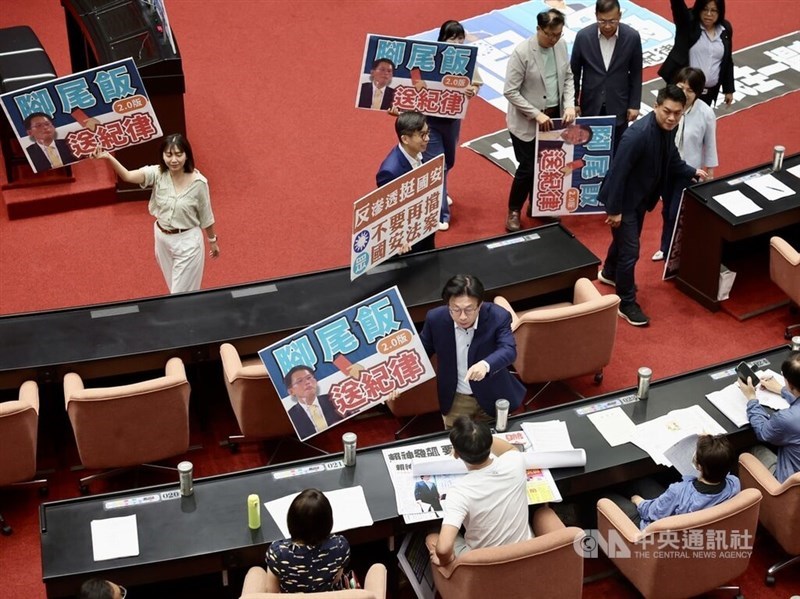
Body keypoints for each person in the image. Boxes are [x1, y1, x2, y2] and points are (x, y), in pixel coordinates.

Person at [597, 85, 707, 327]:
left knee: (625, 241)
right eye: (667, 111)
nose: (672, 117)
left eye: (677, 113)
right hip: (623, 201)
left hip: (640, 199)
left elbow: (672, 158)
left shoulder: (668, 128)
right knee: (631, 251)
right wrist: (614, 210)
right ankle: (626, 302)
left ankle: (609, 273)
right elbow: (617, 173)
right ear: (656, 106)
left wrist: (691, 171)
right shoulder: (637, 135)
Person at [94, 134, 219, 294]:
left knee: (179, 294)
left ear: (187, 155)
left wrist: (212, 241)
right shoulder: (157, 173)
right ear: (162, 156)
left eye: (178, 154)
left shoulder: (199, 183)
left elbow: (206, 215)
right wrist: (108, 157)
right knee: (175, 289)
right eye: (169, 155)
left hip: (187, 241)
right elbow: (127, 176)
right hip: (162, 238)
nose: (174, 160)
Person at [419, 274, 525, 428]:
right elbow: (420, 352)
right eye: (455, 309)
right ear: (448, 305)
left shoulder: (498, 316)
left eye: (469, 309)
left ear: (480, 305)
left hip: (492, 393)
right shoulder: (435, 319)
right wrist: (397, 382)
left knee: (496, 437)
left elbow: (508, 350)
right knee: (456, 439)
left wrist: (485, 365)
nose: (462, 317)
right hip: (456, 398)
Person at [504, 8, 576, 232]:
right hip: (526, 122)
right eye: (550, 34)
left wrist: (569, 104)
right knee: (527, 168)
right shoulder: (522, 52)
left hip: (554, 119)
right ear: (538, 29)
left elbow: (568, 77)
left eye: (558, 34)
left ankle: (537, 207)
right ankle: (514, 210)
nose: (554, 39)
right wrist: (536, 113)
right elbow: (510, 91)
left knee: (546, 165)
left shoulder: (561, 46)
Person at [427, 417, 532, 564]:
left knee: (432, 537)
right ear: (489, 442)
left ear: (456, 454)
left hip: (483, 563)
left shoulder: (459, 492)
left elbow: (443, 549)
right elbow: (509, 449)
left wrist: (447, 561)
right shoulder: (514, 462)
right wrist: (478, 438)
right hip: (523, 551)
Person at [422, 20, 483, 231]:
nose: (457, 43)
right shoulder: (430, 58)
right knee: (437, 165)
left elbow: (476, 83)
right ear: (443, 39)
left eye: (460, 39)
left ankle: (442, 192)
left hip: (453, 120)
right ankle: (440, 214)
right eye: (452, 39)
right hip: (429, 121)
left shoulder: (466, 59)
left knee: (449, 160)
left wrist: (472, 91)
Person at [653, 67, 718, 261]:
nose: (685, 93)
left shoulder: (705, 113)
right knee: (666, 211)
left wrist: (710, 171)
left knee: (677, 212)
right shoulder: (670, 108)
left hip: (689, 170)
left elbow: (710, 144)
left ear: (698, 91)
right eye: (681, 87)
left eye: (690, 90)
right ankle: (665, 247)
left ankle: (676, 252)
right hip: (667, 168)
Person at [606, 434, 739, 529]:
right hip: (694, 530)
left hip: (653, 533)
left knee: (605, 496)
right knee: (642, 482)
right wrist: (712, 447)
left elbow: (650, 513)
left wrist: (638, 501)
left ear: (699, 466)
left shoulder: (678, 492)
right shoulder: (734, 484)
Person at [570, 0, 643, 149]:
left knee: (618, 149)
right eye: (602, 21)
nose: (608, 26)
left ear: (620, 16)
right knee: (588, 148)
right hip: (590, 104)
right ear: (596, 15)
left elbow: (636, 73)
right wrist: (574, 102)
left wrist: (634, 104)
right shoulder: (583, 37)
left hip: (619, 105)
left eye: (612, 21)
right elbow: (574, 73)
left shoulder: (632, 37)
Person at [265, 488, 350, 593]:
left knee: (255, 571)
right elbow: (336, 579)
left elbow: (272, 591)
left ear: (291, 521)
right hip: (325, 594)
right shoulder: (340, 546)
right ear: (328, 522)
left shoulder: (279, 552)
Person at [376, 110, 435, 253]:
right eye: (422, 135)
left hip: (425, 227)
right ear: (405, 139)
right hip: (408, 243)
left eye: (427, 133)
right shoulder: (390, 172)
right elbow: (388, 212)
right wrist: (398, 238)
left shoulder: (419, 151)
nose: (427, 138)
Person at [737, 352, 800, 483]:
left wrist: (751, 398)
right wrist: (782, 389)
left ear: (791, 384)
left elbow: (762, 432)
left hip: (790, 484)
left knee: (749, 449)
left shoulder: (786, 419)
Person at [659, 0, 734, 106]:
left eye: (713, 10)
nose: (709, 14)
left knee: (702, 116)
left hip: (707, 94)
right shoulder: (688, 24)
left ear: (720, 12)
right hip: (683, 92)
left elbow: (727, 61)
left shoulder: (725, 29)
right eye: (705, 9)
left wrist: (728, 89)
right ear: (698, 8)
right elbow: (678, 7)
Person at [284, 365, 343, 438]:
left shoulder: (334, 399)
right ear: (291, 391)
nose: (307, 382)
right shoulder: (290, 417)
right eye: (299, 381)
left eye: (309, 378)